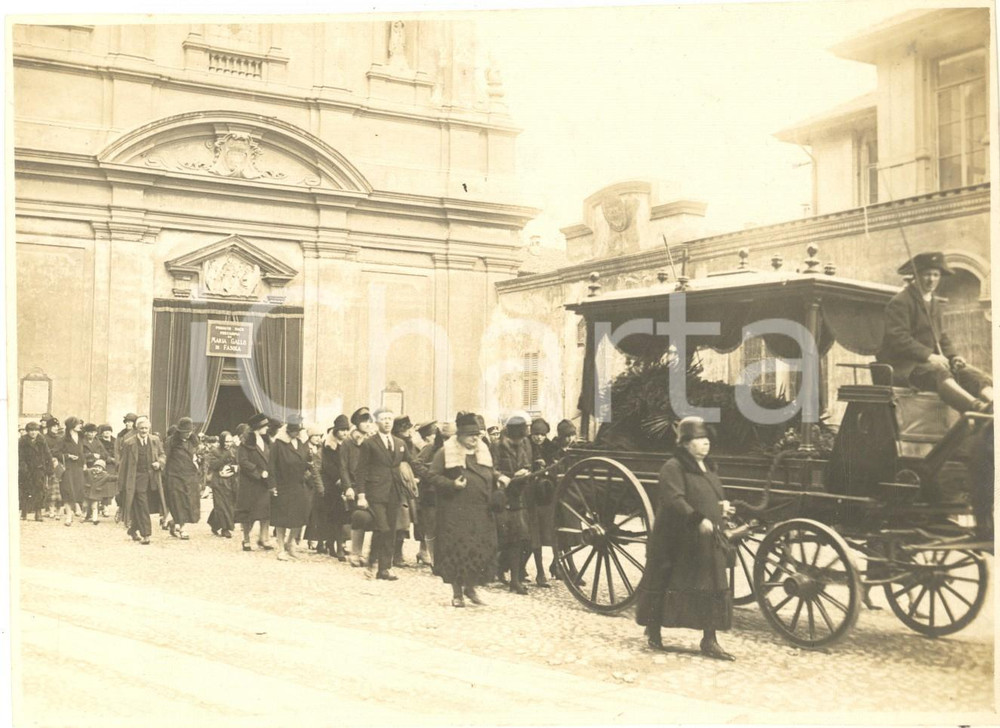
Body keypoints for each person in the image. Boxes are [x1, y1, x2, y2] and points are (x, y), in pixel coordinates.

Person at [636, 416, 735, 661]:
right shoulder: (673, 467)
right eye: (699, 440)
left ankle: (709, 640)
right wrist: (698, 519)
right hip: (676, 540)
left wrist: (722, 507)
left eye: (706, 439)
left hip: (705, 540)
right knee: (665, 581)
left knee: (711, 584)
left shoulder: (708, 467)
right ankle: (654, 629)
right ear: (685, 444)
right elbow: (674, 500)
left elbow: (712, 494)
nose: (705, 444)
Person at [878, 252, 993, 413]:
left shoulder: (934, 303)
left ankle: (994, 405)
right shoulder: (900, 302)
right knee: (939, 372)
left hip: (928, 365)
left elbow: (941, 336)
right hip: (905, 367)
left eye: (935, 275)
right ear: (916, 276)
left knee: (970, 373)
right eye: (926, 274)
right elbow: (898, 339)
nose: (931, 279)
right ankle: (977, 408)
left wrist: (953, 356)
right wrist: (929, 356)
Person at [428, 412, 500, 607]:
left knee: (478, 551)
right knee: (457, 552)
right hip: (455, 513)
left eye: (477, 435)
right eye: (470, 435)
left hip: (480, 512)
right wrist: (452, 484)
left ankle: (471, 588)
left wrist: (499, 477)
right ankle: (457, 593)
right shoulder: (445, 452)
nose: (475, 438)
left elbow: (490, 472)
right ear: (459, 436)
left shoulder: (482, 452)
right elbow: (432, 477)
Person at [355, 407, 411, 580]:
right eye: (384, 419)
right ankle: (373, 563)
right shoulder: (369, 443)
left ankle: (384, 568)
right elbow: (361, 471)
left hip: (394, 491)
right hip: (375, 492)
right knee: (382, 527)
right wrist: (362, 494)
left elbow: (410, 463)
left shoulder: (400, 443)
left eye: (390, 419)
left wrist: (422, 477)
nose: (387, 422)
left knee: (391, 529)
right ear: (377, 422)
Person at [491, 412, 534, 595]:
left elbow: (528, 464)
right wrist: (501, 477)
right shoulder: (497, 446)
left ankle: (515, 580)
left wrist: (525, 471)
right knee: (501, 538)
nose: (520, 441)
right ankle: (494, 570)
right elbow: (490, 468)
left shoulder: (525, 444)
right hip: (501, 497)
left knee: (518, 539)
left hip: (518, 497)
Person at [306, 415, 352, 559]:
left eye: (346, 430)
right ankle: (334, 545)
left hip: (344, 482)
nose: (344, 433)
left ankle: (337, 544)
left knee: (341, 516)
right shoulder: (328, 445)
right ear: (336, 430)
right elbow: (328, 465)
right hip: (331, 484)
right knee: (332, 516)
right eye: (342, 430)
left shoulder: (347, 444)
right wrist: (338, 479)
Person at [269, 417, 313, 561]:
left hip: (299, 484)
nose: (296, 434)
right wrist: (272, 485)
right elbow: (272, 466)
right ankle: (281, 547)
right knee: (281, 518)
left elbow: (306, 462)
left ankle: (290, 543)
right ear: (288, 431)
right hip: (283, 485)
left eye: (298, 431)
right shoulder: (278, 444)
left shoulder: (301, 443)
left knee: (300, 516)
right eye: (294, 431)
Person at [118, 416, 166, 545]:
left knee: (140, 506)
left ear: (149, 428)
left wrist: (159, 463)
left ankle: (133, 529)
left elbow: (162, 454)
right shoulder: (129, 443)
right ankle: (146, 534)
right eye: (141, 428)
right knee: (142, 504)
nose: (144, 431)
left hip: (152, 479)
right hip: (136, 478)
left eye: (146, 428)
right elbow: (124, 464)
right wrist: (121, 484)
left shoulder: (155, 440)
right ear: (137, 429)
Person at [236, 413, 275, 552]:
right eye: (265, 426)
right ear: (258, 427)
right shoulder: (246, 443)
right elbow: (243, 461)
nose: (267, 428)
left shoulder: (267, 441)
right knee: (249, 513)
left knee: (265, 512)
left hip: (264, 483)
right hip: (250, 484)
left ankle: (264, 539)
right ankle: (246, 540)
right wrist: (259, 472)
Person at [341, 408, 372, 567]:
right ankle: (355, 553)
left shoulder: (371, 440)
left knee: (369, 519)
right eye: (363, 421)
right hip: (353, 485)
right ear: (357, 424)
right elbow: (343, 467)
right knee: (358, 518)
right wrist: (347, 487)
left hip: (368, 486)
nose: (367, 424)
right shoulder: (348, 442)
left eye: (368, 421)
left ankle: (364, 553)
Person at [164, 417, 201, 540]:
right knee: (178, 502)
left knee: (188, 502)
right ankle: (182, 528)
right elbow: (165, 457)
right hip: (174, 476)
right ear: (179, 431)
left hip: (189, 476)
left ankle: (174, 523)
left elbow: (197, 456)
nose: (188, 434)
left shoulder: (193, 442)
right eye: (185, 431)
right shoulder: (171, 442)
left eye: (190, 431)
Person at [206, 431, 239, 538]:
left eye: (230, 441)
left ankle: (214, 523)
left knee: (228, 505)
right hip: (218, 482)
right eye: (226, 441)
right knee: (221, 505)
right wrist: (225, 456)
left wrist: (235, 468)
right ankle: (225, 529)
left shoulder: (234, 451)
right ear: (221, 441)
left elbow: (240, 464)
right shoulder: (214, 451)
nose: (228, 444)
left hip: (231, 482)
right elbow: (213, 465)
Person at [19, 422, 53, 521]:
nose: (33, 433)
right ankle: (24, 512)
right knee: (25, 490)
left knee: (39, 491)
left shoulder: (41, 440)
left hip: (39, 470)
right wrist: (23, 467)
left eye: (35, 430)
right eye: (31, 430)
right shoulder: (22, 441)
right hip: (26, 470)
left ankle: (38, 512)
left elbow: (48, 455)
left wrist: (49, 469)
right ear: (27, 431)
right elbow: (20, 456)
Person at [59, 416, 87, 526]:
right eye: (78, 424)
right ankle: (68, 516)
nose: (80, 426)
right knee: (67, 491)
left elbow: (82, 452)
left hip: (78, 468)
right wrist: (68, 456)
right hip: (68, 468)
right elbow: (55, 452)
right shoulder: (63, 439)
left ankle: (76, 510)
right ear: (71, 426)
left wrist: (84, 463)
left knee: (78, 490)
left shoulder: (80, 437)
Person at [42, 416, 64, 519]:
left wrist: (58, 459)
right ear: (49, 427)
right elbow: (43, 452)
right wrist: (51, 459)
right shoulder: (44, 438)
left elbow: (62, 451)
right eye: (53, 426)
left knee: (59, 487)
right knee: (49, 486)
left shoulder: (60, 438)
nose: (55, 428)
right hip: (48, 464)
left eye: (57, 426)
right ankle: (49, 508)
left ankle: (58, 508)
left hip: (59, 465)